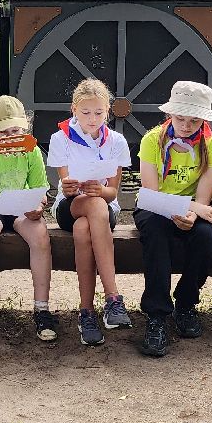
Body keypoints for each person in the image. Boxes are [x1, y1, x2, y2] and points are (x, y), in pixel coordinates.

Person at [133, 80, 212, 357]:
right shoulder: (152, 140)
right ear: (170, 115)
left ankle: (186, 304)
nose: (185, 126)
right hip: (154, 207)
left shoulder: (211, 144)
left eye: (194, 121)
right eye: (180, 118)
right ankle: (157, 315)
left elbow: (205, 196)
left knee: (207, 237)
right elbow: (150, 192)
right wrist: (191, 209)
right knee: (157, 233)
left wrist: (192, 212)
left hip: (191, 208)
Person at [46, 78, 134, 345]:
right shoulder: (60, 138)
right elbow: (65, 187)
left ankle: (86, 312)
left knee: (86, 225)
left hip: (103, 207)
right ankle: (113, 298)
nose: (92, 119)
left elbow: (112, 193)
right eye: (85, 113)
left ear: (107, 111)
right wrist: (72, 186)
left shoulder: (116, 141)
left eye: (99, 113)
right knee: (91, 207)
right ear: (74, 110)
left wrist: (99, 189)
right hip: (70, 205)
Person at [0, 95, 51, 346]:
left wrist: (36, 206)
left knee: (40, 234)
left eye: (17, 130)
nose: (13, 135)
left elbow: (40, 190)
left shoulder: (31, 149)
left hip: (21, 208)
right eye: (6, 131)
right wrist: (6, 203)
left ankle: (42, 308)